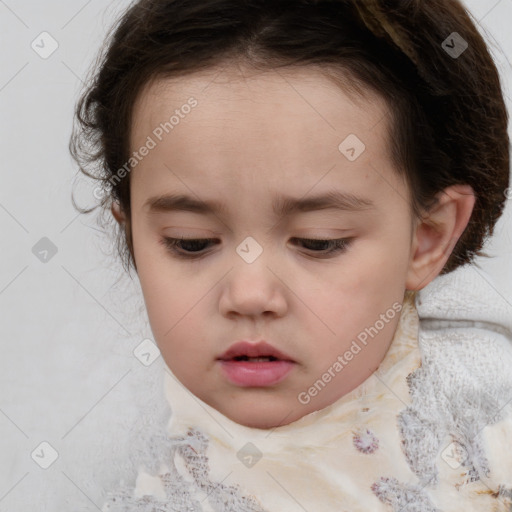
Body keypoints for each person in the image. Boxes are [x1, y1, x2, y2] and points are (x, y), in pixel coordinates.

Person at [69, 0, 512, 510]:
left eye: (318, 241)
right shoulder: (104, 480)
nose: (250, 295)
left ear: (428, 237)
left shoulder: (487, 455)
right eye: (190, 242)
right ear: (132, 236)